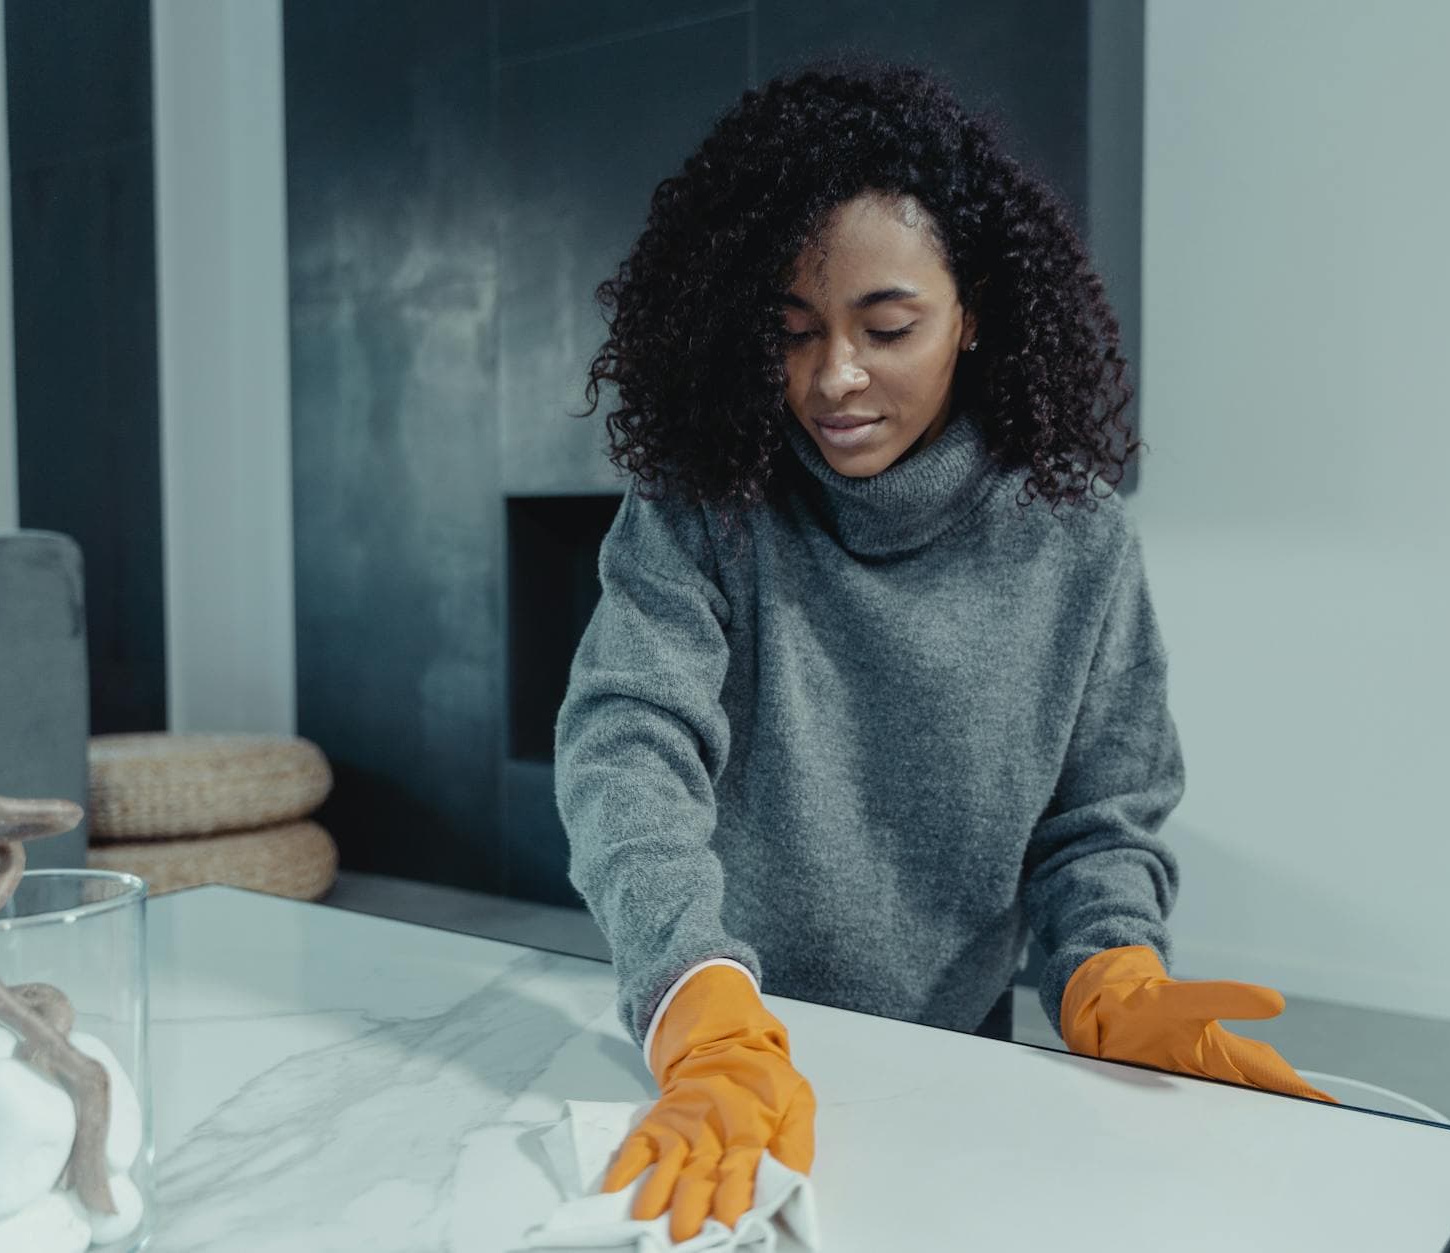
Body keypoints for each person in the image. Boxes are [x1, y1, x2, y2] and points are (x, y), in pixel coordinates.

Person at [551, 56, 1333, 1246]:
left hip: (952, 1058)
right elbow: (626, 745)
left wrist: (1108, 969)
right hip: (719, 1045)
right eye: (793, 331)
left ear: (970, 314)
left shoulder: (1075, 545)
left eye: (886, 325)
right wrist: (698, 1009)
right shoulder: (701, 505)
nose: (833, 378)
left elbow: (1098, 820)